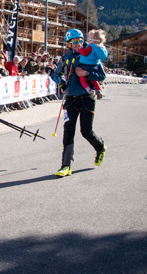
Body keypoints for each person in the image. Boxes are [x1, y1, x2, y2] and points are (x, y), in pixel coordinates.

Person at [46, 29, 107, 178]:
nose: (78, 44)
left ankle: (100, 147)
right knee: (68, 131)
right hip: (70, 99)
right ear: (68, 44)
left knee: (86, 132)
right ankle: (65, 166)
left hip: (87, 97)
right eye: (74, 42)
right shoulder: (65, 58)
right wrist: (60, 83)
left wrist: (86, 74)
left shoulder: (90, 53)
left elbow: (102, 75)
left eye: (80, 41)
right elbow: (57, 75)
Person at [78, 29, 108, 100]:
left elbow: (85, 53)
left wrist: (81, 48)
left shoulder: (91, 46)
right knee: (94, 80)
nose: (87, 40)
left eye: (89, 39)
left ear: (94, 40)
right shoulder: (99, 47)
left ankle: (89, 90)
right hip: (94, 66)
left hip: (85, 65)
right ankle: (98, 90)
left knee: (82, 79)